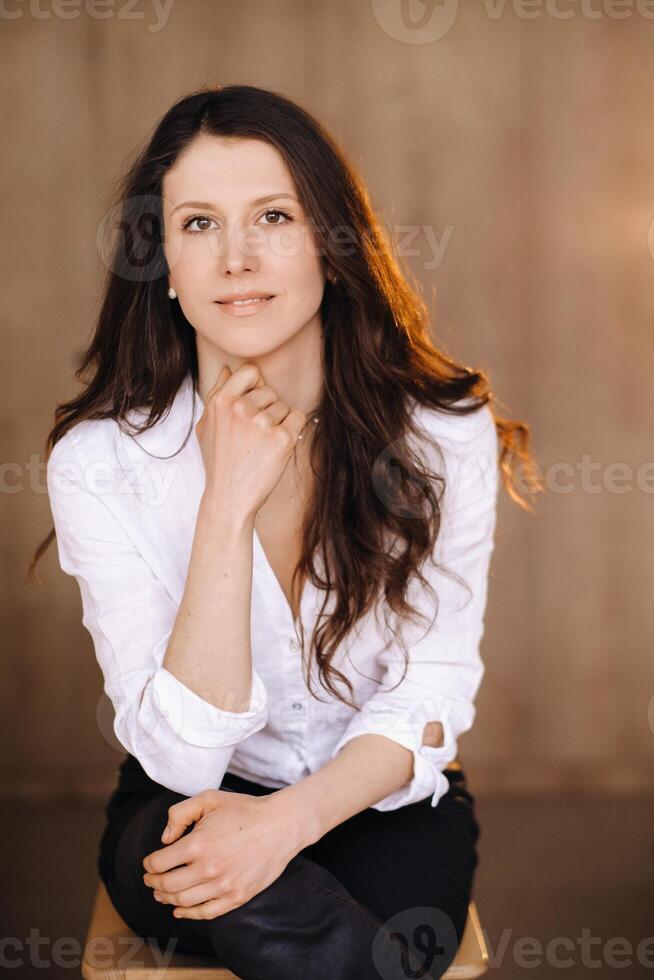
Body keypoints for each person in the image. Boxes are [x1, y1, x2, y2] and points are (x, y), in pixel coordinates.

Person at [30, 85, 540, 980]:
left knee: (383, 931)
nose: (235, 258)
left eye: (272, 215)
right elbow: (185, 758)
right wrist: (225, 503)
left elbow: (433, 687)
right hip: (184, 801)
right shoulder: (100, 461)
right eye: (197, 225)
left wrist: (288, 822)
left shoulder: (441, 428)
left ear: (333, 249)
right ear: (166, 268)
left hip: (375, 794)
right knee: (274, 906)